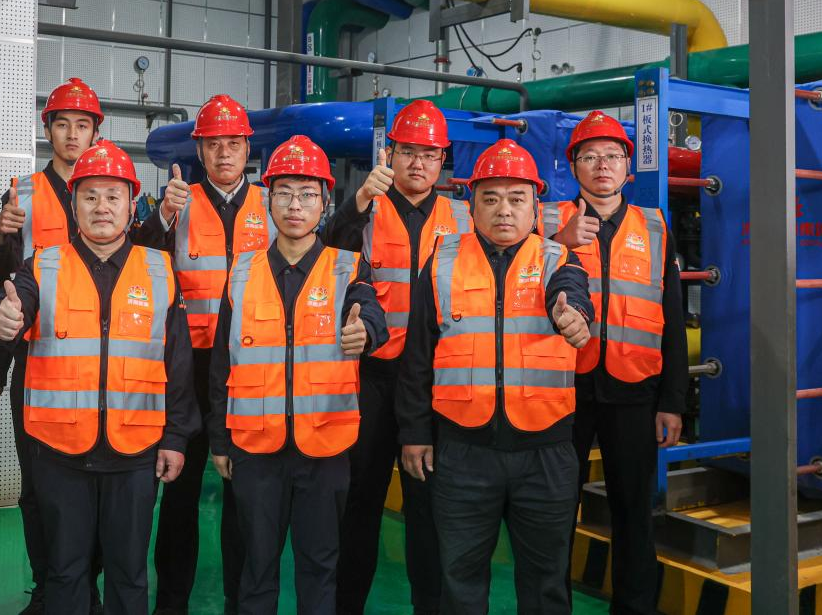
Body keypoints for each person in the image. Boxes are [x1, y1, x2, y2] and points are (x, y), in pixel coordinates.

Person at [0, 141, 200, 615]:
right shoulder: (42, 266)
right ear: (73, 204)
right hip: (60, 451)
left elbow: (178, 365)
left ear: (131, 204)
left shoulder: (160, 271)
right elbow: (9, 304)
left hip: (135, 452)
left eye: (113, 196)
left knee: (129, 573)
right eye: (90, 196)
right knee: (65, 572)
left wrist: (176, 438)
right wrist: (2, 318)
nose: (102, 207)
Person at [398, 138, 594, 615]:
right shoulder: (442, 264)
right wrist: (415, 433)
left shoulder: (558, 260)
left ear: (535, 207)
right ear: (471, 207)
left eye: (516, 198)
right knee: (460, 580)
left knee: (546, 584)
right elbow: (417, 356)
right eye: (490, 198)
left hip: (545, 452)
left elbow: (572, 292)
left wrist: (575, 314)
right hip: (463, 451)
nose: (504, 210)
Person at [210, 135, 388, 615]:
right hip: (255, 450)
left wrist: (367, 331)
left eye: (307, 194)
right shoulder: (241, 274)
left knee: (319, 569)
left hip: (324, 449)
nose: (295, 205)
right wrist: (220, 441)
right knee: (255, 569)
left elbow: (371, 311)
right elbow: (222, 364)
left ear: (325, 202)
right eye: (284, 193)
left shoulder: (347, 268)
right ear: (268, 200)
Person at [322, 100, 471, 615]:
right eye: (408, 152)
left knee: (429, 510)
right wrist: (359, 199)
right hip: (373, 379)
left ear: (443, 159)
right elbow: (329, 252)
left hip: (434, 382)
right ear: (390, 153)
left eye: (429, 154)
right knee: (360, 503)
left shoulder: (461, 218)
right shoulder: (366, 209)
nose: (418, 163)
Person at [538, 111, 687, 615]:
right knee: (555, 512)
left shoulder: (656, 227)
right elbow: (516, 287)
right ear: (572, 166)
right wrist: (557, 243)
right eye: (589, 156)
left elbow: (672, 317)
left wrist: (672, 401)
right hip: (562, 390)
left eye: (612, 156)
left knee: (633, 515)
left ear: (628, 166)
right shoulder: (546, 222)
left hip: (634, 391)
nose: (602, 165)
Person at [131, 93, 270, 615]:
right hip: (187, 367)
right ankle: (171, 603)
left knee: (246, 493)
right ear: (199, 150)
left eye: (233, 143)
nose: (224, 153)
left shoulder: (272, 204)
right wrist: (162, 217)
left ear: (248, 149)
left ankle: (241, 601)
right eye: (214, 144)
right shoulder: (177, 201)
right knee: (180, 492)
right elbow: (138, 261)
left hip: (250, 367)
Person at [0, 76, 106, 614]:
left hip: (101, 359)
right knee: (37, 482)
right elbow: (0, 283)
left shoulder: (113, 187)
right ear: (47, 130)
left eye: (82, 125)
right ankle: (48, 587)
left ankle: (86, 588)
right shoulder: (23, 195)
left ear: (96, 132)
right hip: (37, 357)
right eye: (62, 124)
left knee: (96, 482)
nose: (72, 135)